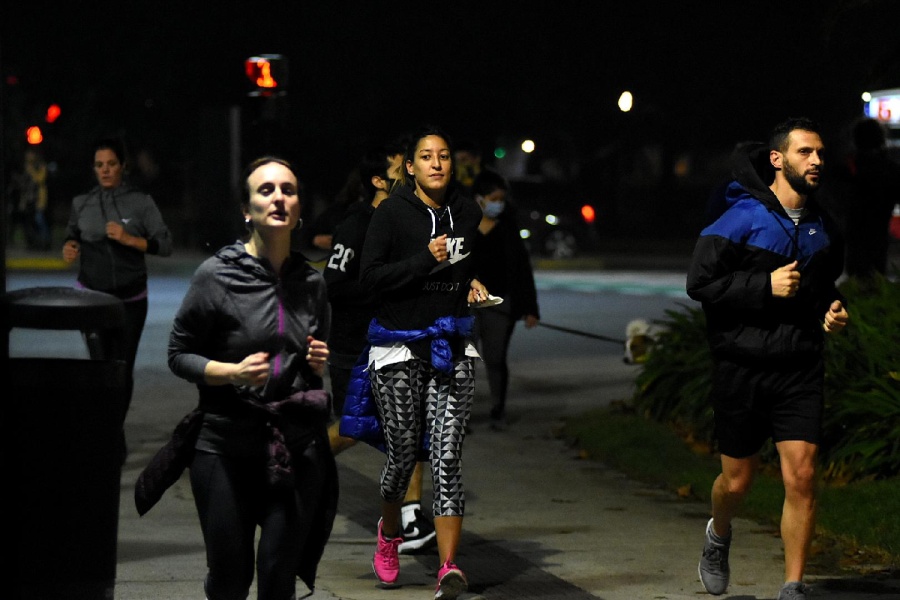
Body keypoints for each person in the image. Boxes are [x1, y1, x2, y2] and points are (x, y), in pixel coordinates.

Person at [135, 156, 337, 600]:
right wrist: (232, 372)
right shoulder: (216, 275)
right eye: (266, 190)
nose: (279, 197)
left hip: (294, 447)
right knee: (230, 577)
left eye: (288, 189)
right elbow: (178, 353)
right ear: (247, 210)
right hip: (225, 445)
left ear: (299, 208)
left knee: (278, 573)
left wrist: (315, 364)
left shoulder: (311, 282)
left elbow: (309, 358)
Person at [686, 117, 850, 600]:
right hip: (742, 366)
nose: (817, 161)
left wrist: (832, 311)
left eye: (820, 152)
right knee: (737, 482)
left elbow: (822, 288)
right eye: (805, 153)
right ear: (777, 160)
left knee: (801, 474)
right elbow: (700, 284)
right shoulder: (739, 218)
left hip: (799, 366)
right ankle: (718, 534)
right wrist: (764, 285)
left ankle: (793, 585)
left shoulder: (824, 226)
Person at [343, 126, 489, 600]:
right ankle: (388, 535)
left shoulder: (467, 212)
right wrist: (422, 260)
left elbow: (463, 265)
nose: (437, 163)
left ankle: (449, 568)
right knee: (403, 455)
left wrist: (472, 285)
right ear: (410, 166)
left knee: (448, 458)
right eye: (426, 156)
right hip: (398, 345)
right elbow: (367, 281)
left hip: (451, 342)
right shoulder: (390, 215)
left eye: (444, 155)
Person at [323, 143, 437, 553]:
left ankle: (409, 518)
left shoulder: (406, 222)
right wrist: (382, 289)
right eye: (399, 169)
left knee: (414, 423)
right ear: (379, 180)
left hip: (396, 342)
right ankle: (290, 465)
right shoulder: (357, 224)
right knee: (354, 431)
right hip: (355, 346)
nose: (409, 173)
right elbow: (335, 284)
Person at [61, 137, 173, 422]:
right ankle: (103, 427)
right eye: (100, 165)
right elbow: (72, 233)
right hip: (91, 302)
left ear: (123, 166)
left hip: (130, 302)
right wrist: (70, 246)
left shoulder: (140, 202)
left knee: (121, 370)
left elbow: (165, 244)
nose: (105, 170)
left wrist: (131, 240)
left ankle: (114, 430)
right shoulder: (82, 203)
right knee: (99, 368)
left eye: (111, 164)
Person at [470, 168, 541, 430]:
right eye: (494, 198)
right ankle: (457, 415)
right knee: (461, 361)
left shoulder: (508, 229)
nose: (498, 204)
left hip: (500, 304)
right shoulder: (463, 226)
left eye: (501, 199)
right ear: (479, 198)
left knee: (495, 357)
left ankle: (498, 409)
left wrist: (530, 309)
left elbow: (522, 270)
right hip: (465, 305)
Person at [842, 117, 900, 279]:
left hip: (853, 238)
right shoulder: (889, 168)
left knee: (855, 282)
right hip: (879, 237)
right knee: (876, 280)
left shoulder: (848, 167)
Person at [7, 148, 52, 250]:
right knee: (29, 222)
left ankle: (46, 241)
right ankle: (34, 243)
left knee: (39, 219)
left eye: (30, 154)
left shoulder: (40, 166)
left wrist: (31, 170)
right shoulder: (26, 167)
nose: (28, 157)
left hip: (39, 198)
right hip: (29, 199)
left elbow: (40, 179)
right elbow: (24, 184)